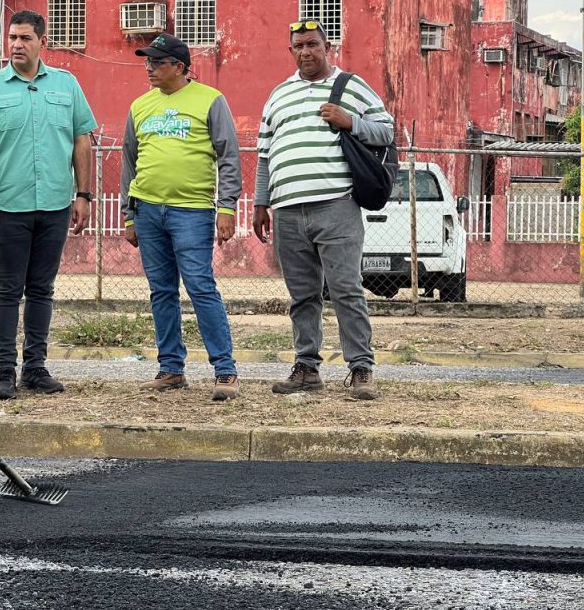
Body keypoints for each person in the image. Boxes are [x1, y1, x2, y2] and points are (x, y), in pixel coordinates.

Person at [252, 20, 395, 400]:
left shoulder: (352, 86)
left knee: (346, 289)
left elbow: (388, 131)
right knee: (302, 295)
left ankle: (361, 369)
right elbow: (265, 154)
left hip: (336, 205)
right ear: (290, 51)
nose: (305, 52)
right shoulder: (278, 95)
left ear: (327, 47)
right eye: (298, 46)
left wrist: (350, 121)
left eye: (313, 44)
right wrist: (260, 202)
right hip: (286, 210)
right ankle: (306, 368)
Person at [0, 10, 96, 400]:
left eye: (25, 38)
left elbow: (81, 142)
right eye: (12, 38)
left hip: (54, 204)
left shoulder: (66, 85)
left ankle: (35, 369)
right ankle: (4, 372)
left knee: (42, 289)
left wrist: (83, 196)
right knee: (6, 290)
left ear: (42, 41)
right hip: (6, 206)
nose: (17, 45)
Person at [120, 33, 243, 401]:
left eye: (156, 63)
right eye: (147, 62)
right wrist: (129, 214)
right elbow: (129, 160)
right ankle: (171, 368)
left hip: (191, 211)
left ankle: (225, 370)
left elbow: (229, 156)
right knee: (161, 291)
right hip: (147, 210)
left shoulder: (210, 100)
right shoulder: (140, 106)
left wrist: (227, 206)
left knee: (201, 286)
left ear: (179, 66)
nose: (149, 68)